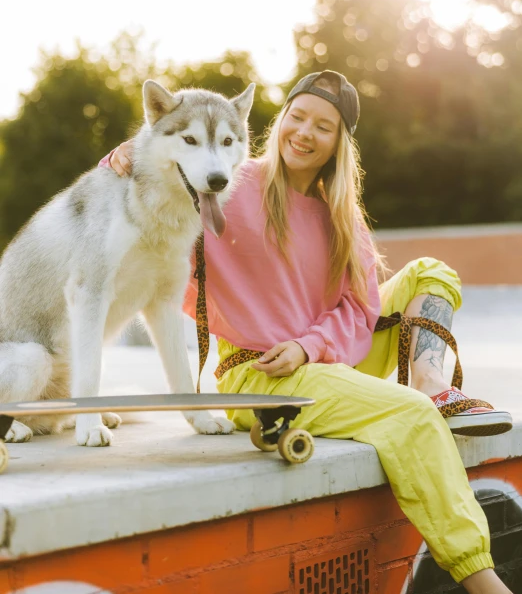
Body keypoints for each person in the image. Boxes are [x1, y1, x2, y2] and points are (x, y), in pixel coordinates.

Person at [102, 70, 513, 592]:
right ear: (280, 121)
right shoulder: (225, 180)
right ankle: (485, 583)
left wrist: (309, 345)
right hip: (259, 373)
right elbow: (149, 184)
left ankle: (435, 388)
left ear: (340, 142)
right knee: (407, 417)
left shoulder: (339, 213)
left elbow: (361, 309)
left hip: (317, 360)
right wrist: (127, 155)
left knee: (430, 272)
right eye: (297, 117)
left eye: (324, 125)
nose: (304, 132)